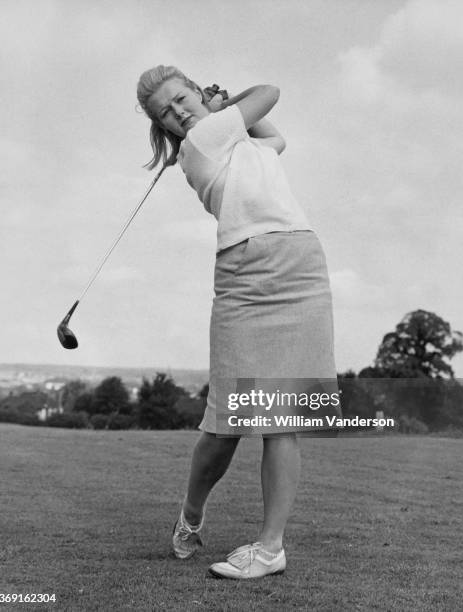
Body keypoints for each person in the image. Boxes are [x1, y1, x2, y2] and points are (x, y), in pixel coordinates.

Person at [136, 65, 339, 580]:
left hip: (300, 263)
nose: (179, 111)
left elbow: (276, 138)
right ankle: (191, 512)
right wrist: (220, 100)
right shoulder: (202, 141)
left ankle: (271, 548)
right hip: (246, 276)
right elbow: (271, 91)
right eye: (167, 111)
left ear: (195, 88)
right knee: (226, 426)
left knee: (281, 420)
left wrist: (224, 104)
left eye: (181, 97)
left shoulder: (233, 139)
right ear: (166, 127)